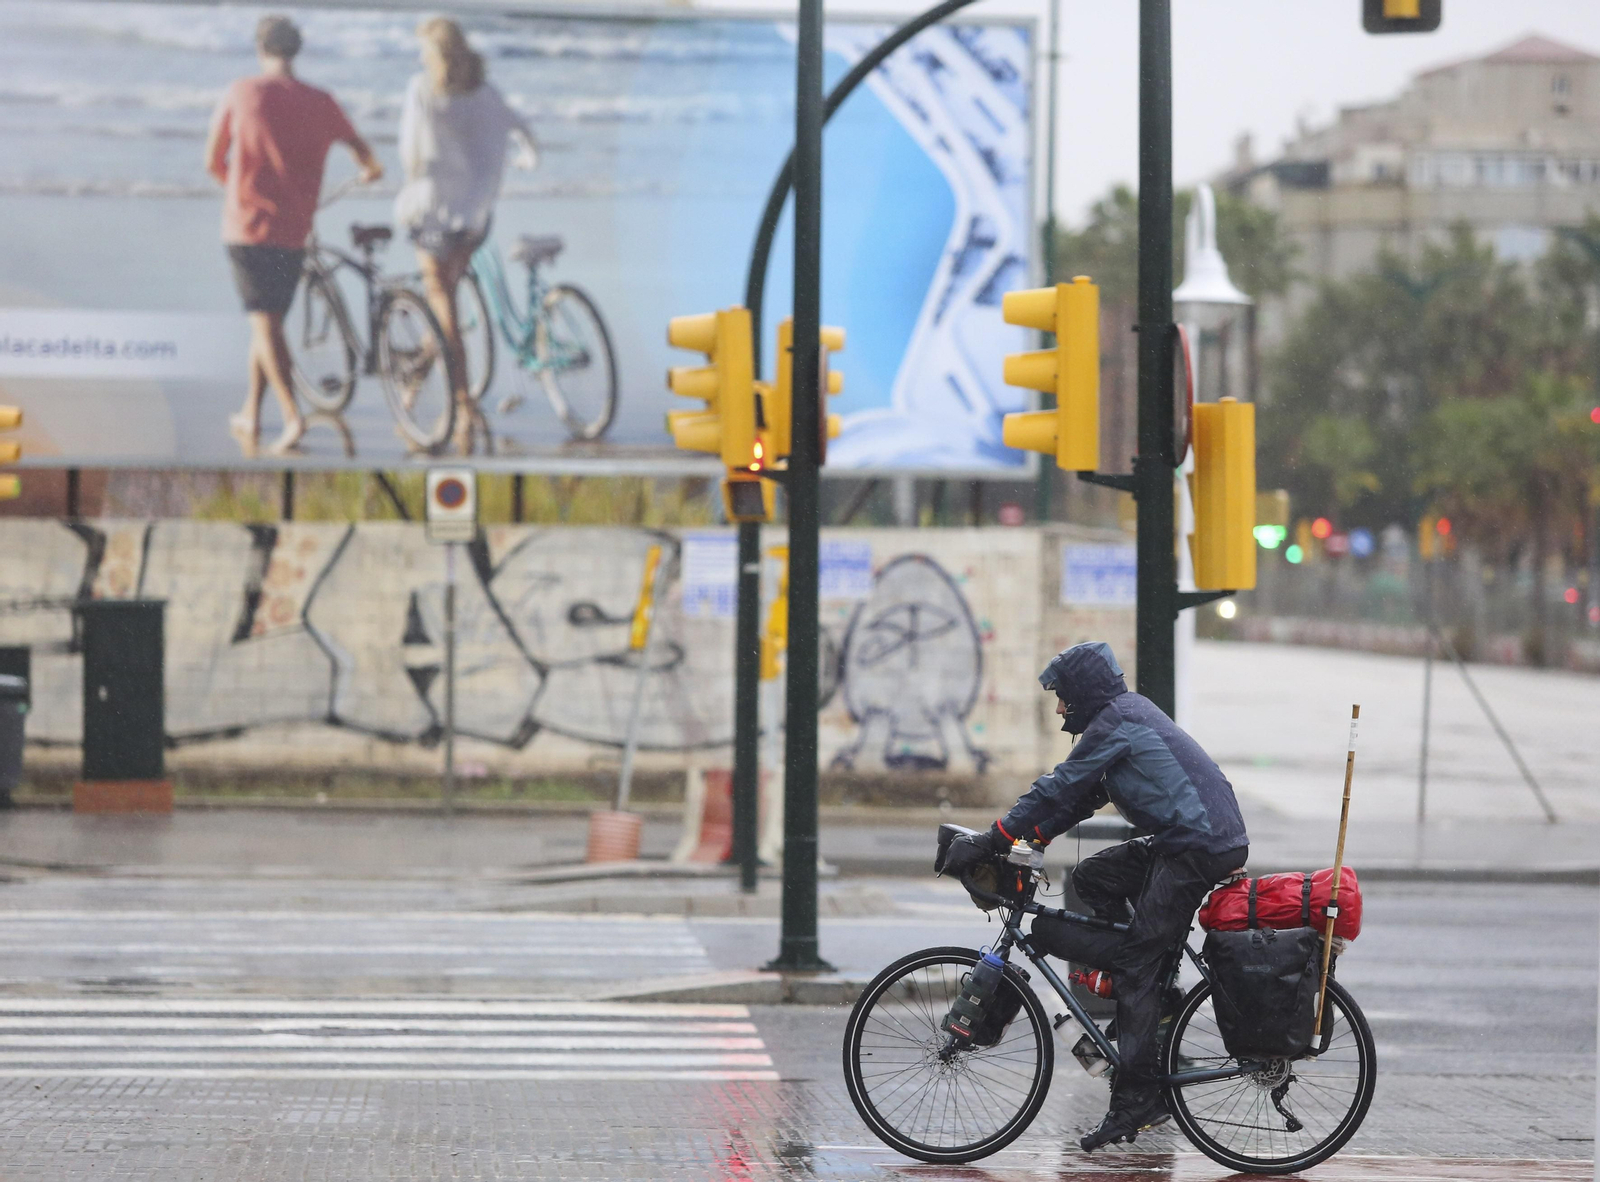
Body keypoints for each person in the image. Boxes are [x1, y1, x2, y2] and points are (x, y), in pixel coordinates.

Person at [942, 641, 1249, 1153]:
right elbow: (1077, 799)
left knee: (1136, 967)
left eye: (1062, 697)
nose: (1060, 708)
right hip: (1185, 839)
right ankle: (1155, 986)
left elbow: (1058, 785)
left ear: (1084, 692)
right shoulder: (1119, 720)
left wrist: (992, 839)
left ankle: (1138, 1101)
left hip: (1197, 847)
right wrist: (1029, 840)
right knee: (1091, 879)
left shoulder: (1118, 720)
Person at [205, 15, 382, 457]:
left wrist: (239, 190)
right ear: (297, 50)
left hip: (246, 228)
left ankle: (290, 417)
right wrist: (369, 170)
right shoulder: (322, 101)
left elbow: (212, 161)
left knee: (265, 325)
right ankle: (250, 410)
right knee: (269, 325)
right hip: (295, 229)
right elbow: (364, 152)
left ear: (260, 48)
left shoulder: (242, 91)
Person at [395, 17, 536, 455]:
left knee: (444, 310)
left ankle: (461, 401)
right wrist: (525, 161)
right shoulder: (486, 93)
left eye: (424, 51)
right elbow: (522, 130)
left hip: (435, 216)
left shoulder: (424, 92)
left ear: (435, 55)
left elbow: (410, 154)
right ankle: (418, 373)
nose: (421, 59)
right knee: (445, 302)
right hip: (475, 219)